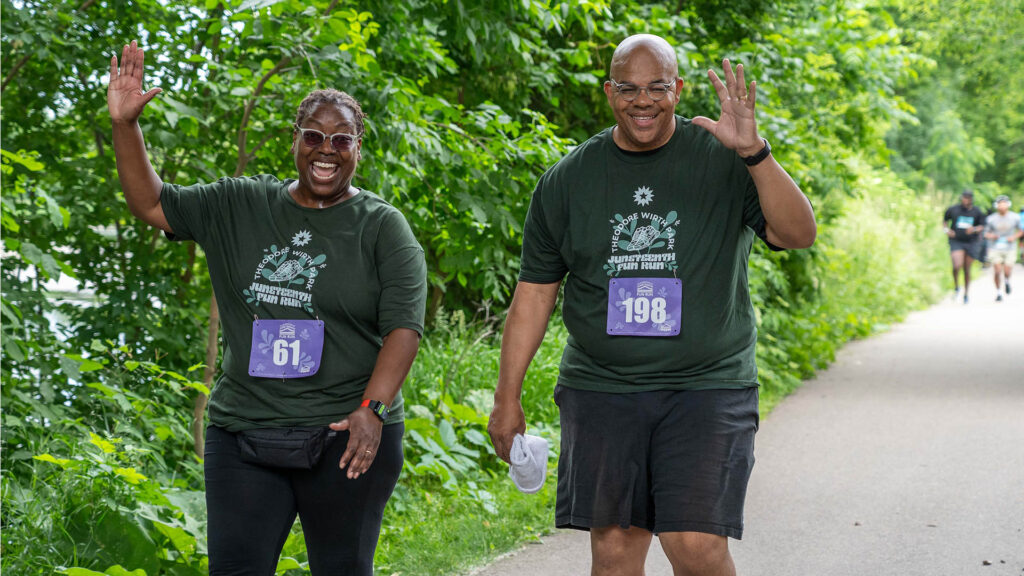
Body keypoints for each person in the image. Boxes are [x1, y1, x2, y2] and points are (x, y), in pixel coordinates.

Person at [487, 34, 816, 576]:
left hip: (707, 385)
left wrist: (755, 152)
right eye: (629, 88)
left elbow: (797, 233)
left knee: (695, 545)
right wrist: (507, 396)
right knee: (614, 551)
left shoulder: (726, 159)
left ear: (678, 89)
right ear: (609, 91)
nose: (643, 100)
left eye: (657, 87)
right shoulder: (569, 179)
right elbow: (534, 294)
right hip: (603, 388)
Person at [107, 41, 426, 574]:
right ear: (295, 140)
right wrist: (124, 126)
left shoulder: (382, 227)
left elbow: (404, 328)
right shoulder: (240, 204)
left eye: (342, 139)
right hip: (245, 432)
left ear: (358, 147)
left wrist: (373, 410)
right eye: (314, 137)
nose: (327, 149)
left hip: (346, 434)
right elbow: (150, 202)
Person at [942, 190, 986, 304]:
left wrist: (974, 229)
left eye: (967, 198)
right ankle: (957, 286)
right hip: (956, 240)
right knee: (957, 265)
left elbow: (982, 225)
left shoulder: (977, 211)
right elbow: (945, 221)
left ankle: (966, 294)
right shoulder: (953, 209)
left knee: (967, 269)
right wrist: (947, 230)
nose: (964, 200)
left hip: (972, 242)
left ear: (971, 199)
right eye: (963, 198)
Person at [984, 195, 1022, 301]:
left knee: (1007, 270)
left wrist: (1013, 237)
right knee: (997, 270)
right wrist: (992, 236)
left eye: (1004, 204)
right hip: (995, 247)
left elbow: (1021, 231)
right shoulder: (991, 219)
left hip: (1010, 247)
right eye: (1000, 204)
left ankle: (1007, 281)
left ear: (1008, 205)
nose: (1002, 206)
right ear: (996, 206)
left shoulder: (1015, 217)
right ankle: (998, 292)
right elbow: (985, 233)